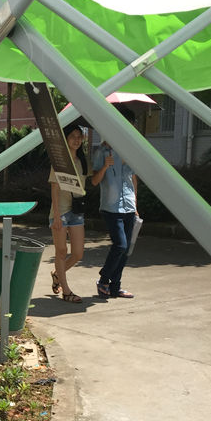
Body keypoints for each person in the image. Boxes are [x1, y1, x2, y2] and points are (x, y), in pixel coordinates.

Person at [91, 106, 139, 299]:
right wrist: (105, 166)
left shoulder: (132, 150)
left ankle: (115, 287)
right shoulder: (103, 151)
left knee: (126, 250)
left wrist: (136, 205)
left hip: (129, 206)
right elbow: (94, 181)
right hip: (111, 207)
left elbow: (133, 179)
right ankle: (103, 280)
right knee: (120, 245)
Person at [48, 122, 89, 304]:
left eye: (79, 137)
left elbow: (89, 183)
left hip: (77, 212)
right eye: (72, 136)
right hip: (61, 212)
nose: (76, 140)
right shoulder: (59, 161)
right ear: (65, 139)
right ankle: (66, 291)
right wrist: (56, 216)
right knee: (61, 251)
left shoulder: (82, 161)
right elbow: (54, 188)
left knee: (78, 253)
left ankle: (57, 274)